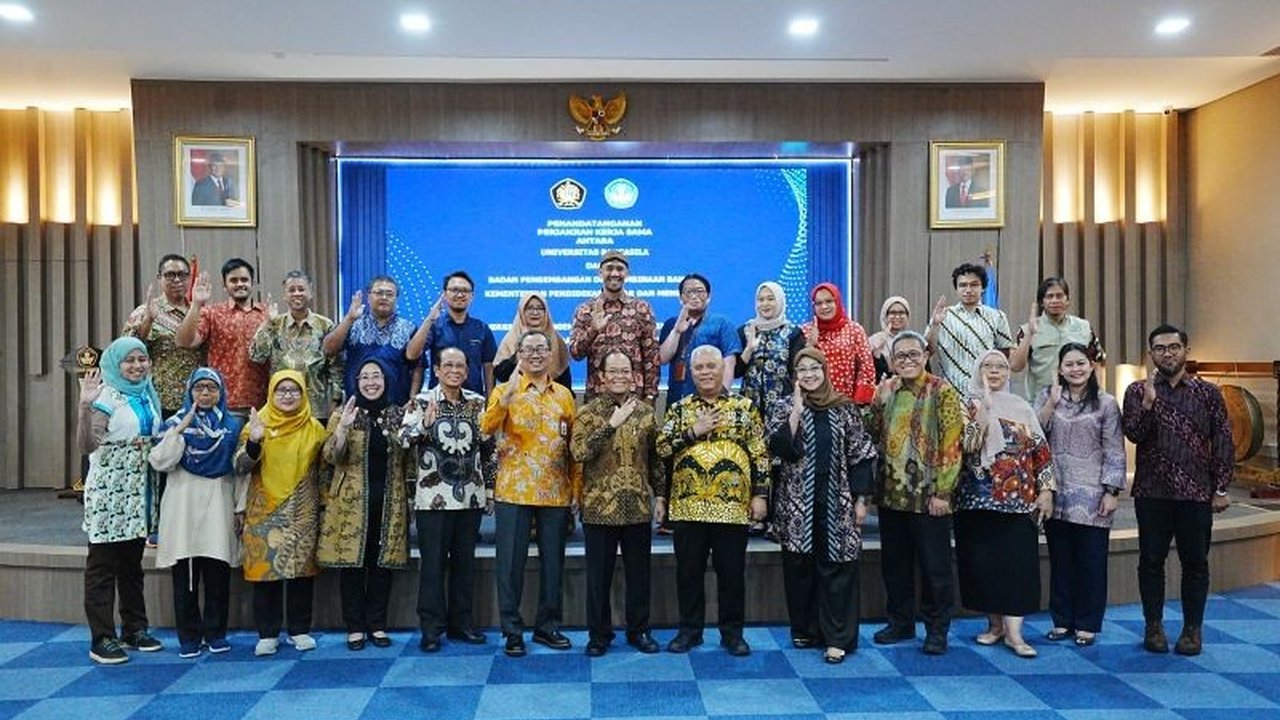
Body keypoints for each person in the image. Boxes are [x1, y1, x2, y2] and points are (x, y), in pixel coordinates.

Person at [1122, 323, 1234, 656]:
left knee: (1195, 563)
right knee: (1150, 562)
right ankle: (1153, 626)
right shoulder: (1136, 391)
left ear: (1186, 350)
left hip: (1196, 494)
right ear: (1150, 354)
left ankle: (1192, 630)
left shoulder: (1207, 392)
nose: (1167, 353)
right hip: (1152, 492)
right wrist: (1148, 404)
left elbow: (1223, 441)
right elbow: (1134, 435)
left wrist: (1222, 487)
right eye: (1160, 348)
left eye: (1173, 347)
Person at [656, 345, 769, 656]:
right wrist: (693, 432)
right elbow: (662, 450)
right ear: (691, 373)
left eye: (711, 367)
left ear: (723, 370)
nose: (705, 372)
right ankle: (689, 631)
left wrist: (760, 494)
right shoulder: (679, 409)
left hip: (732, 508)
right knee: (688, 573)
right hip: (688, 506)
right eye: (699, 368)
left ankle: (732, 634)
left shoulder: (744, 408)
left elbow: (759, 453)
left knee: (731, 574)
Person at [767, 347, 877, 664]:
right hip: (796, 503)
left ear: (825, 370)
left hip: (837, 501)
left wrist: (860, 500)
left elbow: (861, 454)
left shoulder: (843, 407)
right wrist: (796, 413)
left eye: (815, 368)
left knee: (837, 568)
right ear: (794, 376)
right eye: (802, 369)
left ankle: (837, 639)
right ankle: (806, 630)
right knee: (799, 568)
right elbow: (778, 449)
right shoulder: (784, 406)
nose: (809, 374)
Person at [480, 329, 580, 658]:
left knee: (553, 564)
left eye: (542, 348)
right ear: (519, 354)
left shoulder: (565, 395)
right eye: (529, 349)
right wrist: (503, 403)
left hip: (555, 492)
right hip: (514, 491)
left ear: (551, 354)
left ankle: (547, 626)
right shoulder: (503, 390)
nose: (536, 354)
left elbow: (573, 447)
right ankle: (512, 631)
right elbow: (485, 428)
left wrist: (576, 489)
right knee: (510, 565)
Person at [954, 349, 1056, 658]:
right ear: (977, 370)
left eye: (1000, 366)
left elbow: (1041, 451)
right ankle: (994, 626)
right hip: (976, 502)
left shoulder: (1021, 406)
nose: (995, 371)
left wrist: (1046, 490)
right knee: (984, 568)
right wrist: (983, 411)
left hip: (1018, 502)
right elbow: (965, 447)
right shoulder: (964, 404)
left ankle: (1015, 634)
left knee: (1017, 568)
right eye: (988, 366)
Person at [868, 331, 965, 655]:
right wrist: (875, 404)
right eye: (900, 357)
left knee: (934, 567)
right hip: (891, 495)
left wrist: (943, 492)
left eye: (913, 355)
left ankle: (937, 629)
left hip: (929, 498)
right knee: (895, 565)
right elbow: (870, 435)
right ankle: (900, 622)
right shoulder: (889, 390)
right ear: (892, 361)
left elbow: (952, 445)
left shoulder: (943, 391)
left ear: (925, 356)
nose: (907, 361)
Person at [77, 337, 165, 664]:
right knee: (102, 566)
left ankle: (134, 628)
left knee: (132, 564)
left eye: (142, 359)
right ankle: (101, 637)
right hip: (110, 490)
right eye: (129, 361)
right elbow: (87, 445)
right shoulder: (104, 396)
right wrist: (84, 407)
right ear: (115, 364)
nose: (137, 366)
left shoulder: (147, 393)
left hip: (139, 490)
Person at [400, 346, 493, 652]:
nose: (455, 370)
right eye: (448, 365)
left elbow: (489, 450)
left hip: (470, 499)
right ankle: (431, 629)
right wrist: (424, 425)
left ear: (467, 371)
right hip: (433, 500)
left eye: (460, 365)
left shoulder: (478, 403)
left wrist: (489, 490)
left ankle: (461, 624)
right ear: (436, 370)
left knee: (465, 566)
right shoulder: (421, 402)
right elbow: (401, 440)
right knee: (433, 567)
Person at [571, 351, 662, 656]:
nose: (620, 376)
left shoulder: (646, 413)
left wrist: (659, 495)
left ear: (634, 374)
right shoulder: (588, 412)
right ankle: (599, 636)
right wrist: (611, 424)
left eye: (626, 370)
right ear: (602, 376)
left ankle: (639, 631)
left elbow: (655, 460)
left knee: (640, 576)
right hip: (599, 509)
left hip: (637, 506)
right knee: (598, 578)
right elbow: (579, 452)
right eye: (614, 371)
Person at [148, 368, 243, 659]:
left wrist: (241, 508)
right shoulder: (174, 423)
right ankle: (189, 635)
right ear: (189, 391)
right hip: (184, 504)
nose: (204, 394)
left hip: (219, 501)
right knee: (185, 575)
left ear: (221, 392)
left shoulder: (232, 424)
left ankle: (216, 632)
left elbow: (241, 471)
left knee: (217, 573)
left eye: (211, 388)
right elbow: (160, 462)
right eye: (199, 388)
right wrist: (178, 431)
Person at [1035, 343, 1126, 646]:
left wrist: (1112, 490)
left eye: (1081, 363)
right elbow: (1034, 436)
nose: (1075, 369)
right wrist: (1051, 402)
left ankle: (1087, 623)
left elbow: (1114, 448)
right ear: (1059, 369)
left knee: (1090, 561)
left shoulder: (1106, 402)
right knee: (1061, 560)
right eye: (1069, 364)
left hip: (1092, 494)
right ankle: (1062, 621)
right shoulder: (1049, 396)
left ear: (1091, 366)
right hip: (1056, 491)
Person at [319, 359, 411, 651]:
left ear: (387, 380)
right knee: (353, 567)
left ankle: (378, 625)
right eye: (365, 377)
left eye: (377, 376)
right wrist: (343, 430)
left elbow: (409, 460)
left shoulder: (398, 415)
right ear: (356, 382)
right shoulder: (343, 414)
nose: (371, 382)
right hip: (350, 506)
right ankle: (355, 627)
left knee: (381, 566)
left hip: (389, 503)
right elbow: (331, 457)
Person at [236, 370, 329, 656]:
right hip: (264, 508)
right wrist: (254, 441)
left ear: (303, 394)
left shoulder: (314, 428)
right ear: (271, 393)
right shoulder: (257, 423)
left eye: (294, 390)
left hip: (302, 508)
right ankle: (268, 634)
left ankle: (300, 630)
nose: (288, 395)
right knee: (266, 575)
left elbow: (324, 470)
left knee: (301, 573)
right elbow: (240, 465)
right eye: (281, 390)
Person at [176, 258, 269, 416]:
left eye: (244, 279)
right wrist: (196, 305)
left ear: (253, 282)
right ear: (224, 285)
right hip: (222, 405)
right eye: (233, 280)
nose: (240, 284)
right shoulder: (212, 313)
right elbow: (184, 342)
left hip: (262, 406)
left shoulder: (267, 314)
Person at [249, 269, 344, 423]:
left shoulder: (325, 325)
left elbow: (336, 368)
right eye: (291, 290)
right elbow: (257, 356)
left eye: (301, 289)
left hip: (316, 409)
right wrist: (268, 323)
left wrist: (335, 401)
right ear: (284, 296)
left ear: (310, 293)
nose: (297, 293)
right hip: (282, 407)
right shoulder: (275, 323)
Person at [568, 250, 659, 402]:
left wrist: (650, 396)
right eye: (609, 268)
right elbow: (575, 353)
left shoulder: (642, 308)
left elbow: (651, 356)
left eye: (620, 269)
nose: (615, 273)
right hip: (597, 397)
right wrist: (593, 330)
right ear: (600, 272)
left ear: (627, 273)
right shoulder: (585, 309)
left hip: (634, 398)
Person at [122, 254, 203, 416]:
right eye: (170, 275)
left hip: (198, 397)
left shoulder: (200, 312)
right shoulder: (145, 311)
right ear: (160, 278)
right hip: (161, 398)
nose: (177, 280)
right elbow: (127, 352)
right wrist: (148, 321)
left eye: (182, 275)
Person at [322, 275, 420, 405]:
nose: (384, 297)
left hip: (397, 408)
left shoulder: (409, 328)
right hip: (357, 407)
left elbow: (418, 368)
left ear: (396, 298)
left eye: (389, 294)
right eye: (379, 293)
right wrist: (349, 318)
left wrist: (413, 398)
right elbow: (328, 350)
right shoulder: (353, 324)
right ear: (368, 297)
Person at [1010, 277, 1105, 401]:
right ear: (1042, 302)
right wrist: (1030, 334)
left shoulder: (1084, 327)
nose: (1055, 300)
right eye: (1050, 296)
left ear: (1067, 300)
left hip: (1079, 402)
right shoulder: (1026, 329)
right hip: (1041, 402)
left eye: (1059, 296)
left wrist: (1096, 393)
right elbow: (1016, 366)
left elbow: (1098, 362)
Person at [926, 262, 1013, 393]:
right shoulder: (943, 316)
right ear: (956, 288)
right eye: (963, 285)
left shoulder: (997, 317)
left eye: (974, 285)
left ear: (983, 287)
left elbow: (1004, 356)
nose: (968, 290)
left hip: (985, 394)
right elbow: (927, 350)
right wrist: (935, 324)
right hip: (950, 393)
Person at [410, 271, 497, 397]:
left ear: (471, 296)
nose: (460, 294)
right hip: (438, 401)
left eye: (465, 291)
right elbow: (412, 355)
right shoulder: (434, 326)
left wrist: (490, 400)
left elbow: (489, 368)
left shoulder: (482, 329)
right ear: (445, 294)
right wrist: (429, 319)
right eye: (454, 290)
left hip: (473, 402)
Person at [658, 274, 739, 407]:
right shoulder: (671, 324)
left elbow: (729, 363)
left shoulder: (722, 324)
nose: (694, 296)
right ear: (680, 298)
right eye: (688, 292)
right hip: (677, 398)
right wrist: (677, 331)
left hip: (711, 398)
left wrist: (722, 398)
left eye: (699, 291)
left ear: (708, 297)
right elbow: (663, 358)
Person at [736, 280, 806, 425]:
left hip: (782, 406)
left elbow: (796, 372)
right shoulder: (746, 331)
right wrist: (749, 349)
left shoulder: (793, 333)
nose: (765, 304)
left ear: (780, 301)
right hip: (749, 405)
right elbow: (736, 372)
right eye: (761, 300)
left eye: (770, 299)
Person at [800, 282, 875, 403]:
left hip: (846, 402)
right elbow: (797, 367)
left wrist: (859, 401)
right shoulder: (805, 331)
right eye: (819, 303)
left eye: (829, 301)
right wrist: (809, 346)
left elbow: (866, 367)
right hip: (812, 403)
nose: (824, 307)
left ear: (837, 302)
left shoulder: (854, 330)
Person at [494, 291, 571, 389]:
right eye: (529, 308)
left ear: (546, 312)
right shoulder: (511, 338)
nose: (535, 312)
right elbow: (501, 375)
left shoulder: (557, 340)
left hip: (552, 399)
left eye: (540, 308)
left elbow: (564, 378)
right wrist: (517, 357)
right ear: (521, 311)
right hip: (515, 398)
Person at [867, 296, 911, 382]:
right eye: (893, 313)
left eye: (901, 313)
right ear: (885, 315)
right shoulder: (874, 340)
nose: (897, 317)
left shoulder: (913, 339)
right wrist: (877, 350)